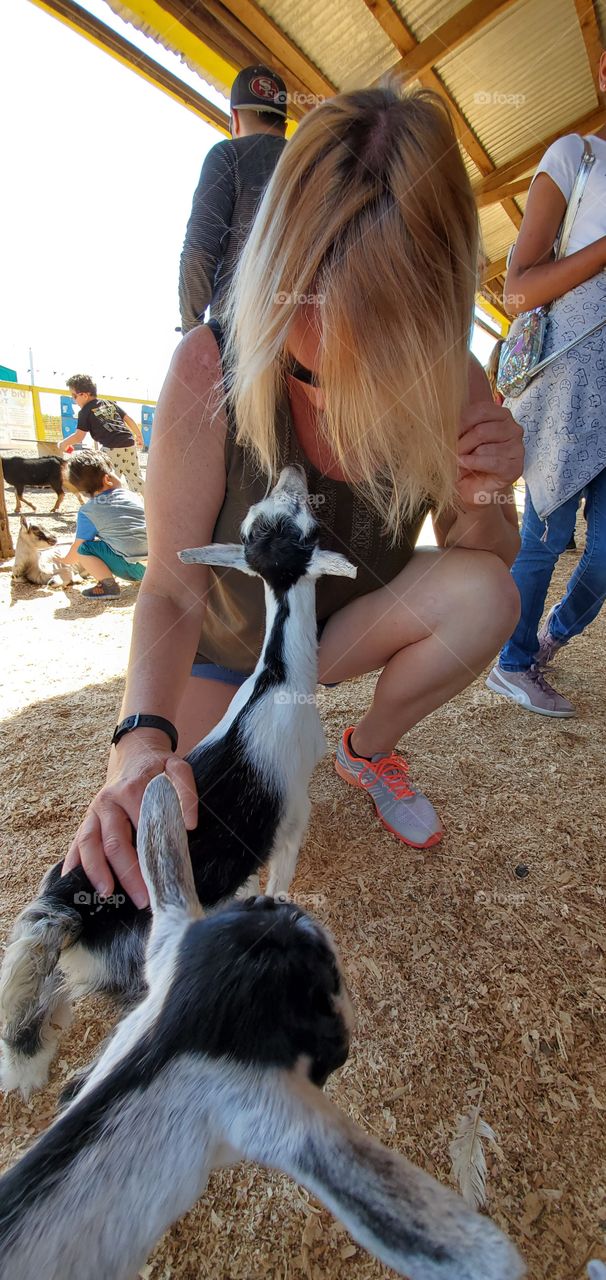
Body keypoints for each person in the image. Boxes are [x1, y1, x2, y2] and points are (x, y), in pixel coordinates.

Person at [64, 83, 522, 909]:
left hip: (335, 638)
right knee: (155, 862)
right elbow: (170, 585)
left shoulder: (457, 382)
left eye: (371, 369)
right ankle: (261, 735)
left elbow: (486, 558)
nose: (321, 397)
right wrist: (138, 745)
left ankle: (365, 747)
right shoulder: (210, 366)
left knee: (489, 593)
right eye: (301, 364)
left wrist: (488, 491)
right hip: (226, 658)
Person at [487, 57, 606, 717]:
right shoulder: (577, 156)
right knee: (546, 535)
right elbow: (517, 289)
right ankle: (512, 661)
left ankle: (550, 634)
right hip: (570, 385)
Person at [179, 64, 288, 332]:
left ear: (235, 118)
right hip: (308, 346)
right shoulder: (317, 163)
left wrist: (192, 329)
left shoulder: (227, 155)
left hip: (239, 340)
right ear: (284, 126)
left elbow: (199, 252)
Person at [57, 449, 147, 599]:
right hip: (159, 568)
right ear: (108, 478)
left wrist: (64, 560)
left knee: (84, 548)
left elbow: (77, 548)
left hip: (134, 571)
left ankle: (108, 587)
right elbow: (116, 484)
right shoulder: (129, 495)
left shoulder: (87, 511)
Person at [60, 374, 145, 496]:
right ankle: (151, 503)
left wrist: (64, 443)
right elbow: (128, 419)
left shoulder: (84, 412)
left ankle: (110, 503)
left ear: (84, 395)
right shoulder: (108, 403)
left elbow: (79, 436)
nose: (74, 400)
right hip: (129, 442)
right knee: (135, 477)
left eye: (74, 396)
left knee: (105, 479)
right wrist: (139, 436)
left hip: (111, 447)